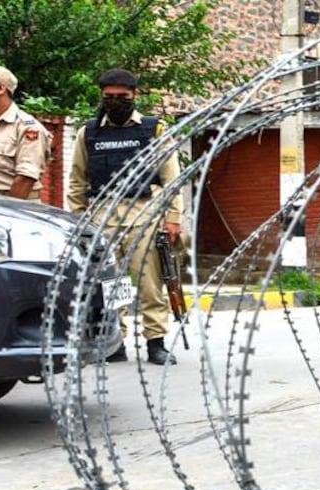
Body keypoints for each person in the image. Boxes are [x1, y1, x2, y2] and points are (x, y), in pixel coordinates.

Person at [67, 68, 182, 366]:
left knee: (149, 283)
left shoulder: (154, 130)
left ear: (134, 96)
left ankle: (155, 342)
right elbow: (77, 180)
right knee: (108, 285)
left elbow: (172, 179)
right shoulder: (88, 133)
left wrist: (173, 219)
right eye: (109, 97)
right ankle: (114, 343)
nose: (115, 101)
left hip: (144, 215)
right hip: (102, 219)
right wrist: (78, 221)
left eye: (122, 97)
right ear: (102, 97)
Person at [0, 63, 51, 200]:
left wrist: (6, 212)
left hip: (15, 210)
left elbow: (26, 179)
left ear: (0, 88)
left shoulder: (28, 128)